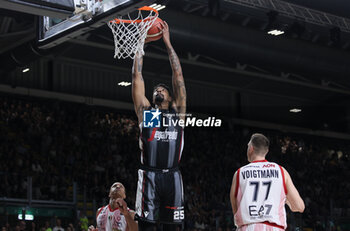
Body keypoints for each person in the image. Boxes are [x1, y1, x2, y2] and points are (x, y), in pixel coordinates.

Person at [132, 21, 186, 231]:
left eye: (163, 89)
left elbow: (178, 76)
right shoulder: (147, 113)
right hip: (149, 175)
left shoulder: (177, 113)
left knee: (173, 228)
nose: (159, 90)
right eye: (156, 89)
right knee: (147, 228)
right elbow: (137, 77)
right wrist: (140, 43)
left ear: (171, 97)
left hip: (172, 175)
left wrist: (167, 43)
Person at [230, 133, 305, 230]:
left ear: (251, 148)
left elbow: (235, 209)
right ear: (266, 151)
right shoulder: (281, 171)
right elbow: (299, 206)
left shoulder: (239, 173)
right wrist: (285, 200)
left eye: (248, 146)